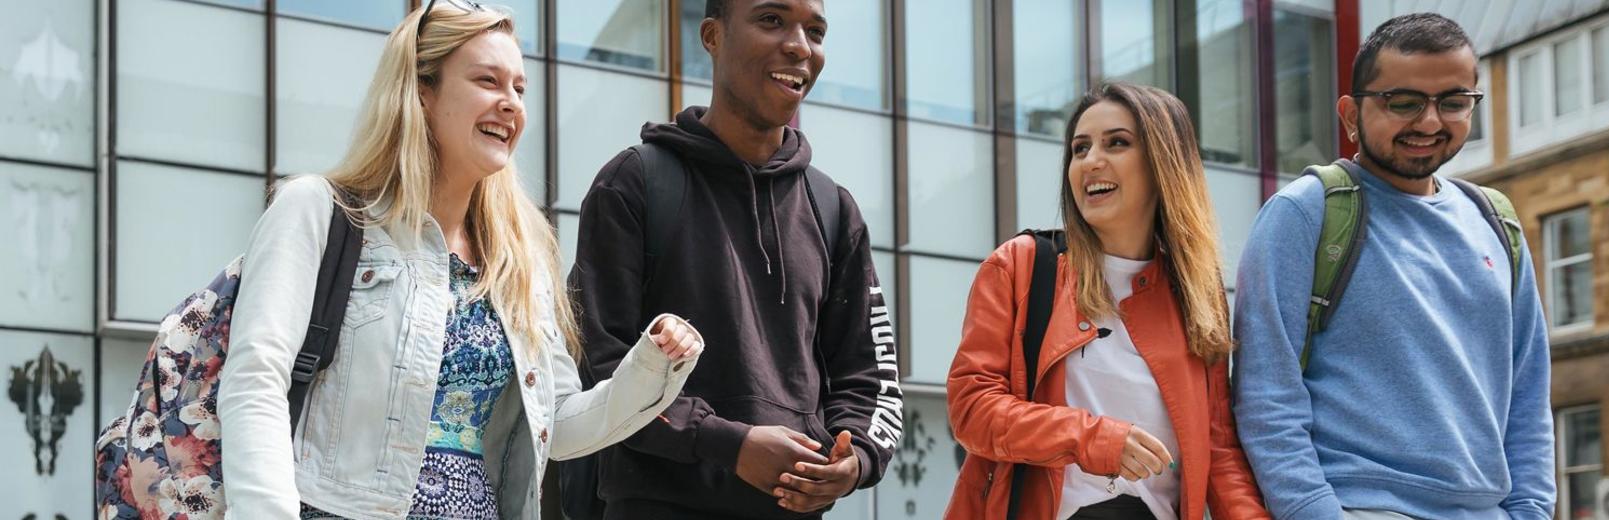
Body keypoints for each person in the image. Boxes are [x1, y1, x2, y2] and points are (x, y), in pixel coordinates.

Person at [217, 2, 705, 518]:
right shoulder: (319, 210)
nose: (511, 104)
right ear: (422, 91)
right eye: (487, 81)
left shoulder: (520, 261)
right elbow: (256, 381)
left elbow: (557, 423)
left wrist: (652, 366)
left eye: (519, 89)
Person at [566, 0, 901, 518]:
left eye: (815, 31)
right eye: (771, 20)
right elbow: (598, 368)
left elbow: (871, 378)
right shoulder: (635, 183)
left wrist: (853, 457)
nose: (798, 45)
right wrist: (726, 442)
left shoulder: (833, 208)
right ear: (712, 36)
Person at [1231, 13, 1555, 520]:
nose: (1429, 122)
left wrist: (1531, 511)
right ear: (1350, 115)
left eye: (1453, 102)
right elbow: (1265, 396)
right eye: (1403, 102)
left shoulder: (1497, 222)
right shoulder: (1307, 212)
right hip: (1362, 505)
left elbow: (1529, 394)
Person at [944, 83, 1269, 520]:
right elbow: (972, 408)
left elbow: (1219, 453)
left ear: (1163, 164)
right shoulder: (1019, 266)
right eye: (1080, 148)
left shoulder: (1197, 292)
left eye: (1117, 143)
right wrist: (1095, 439)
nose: (1091, 161)